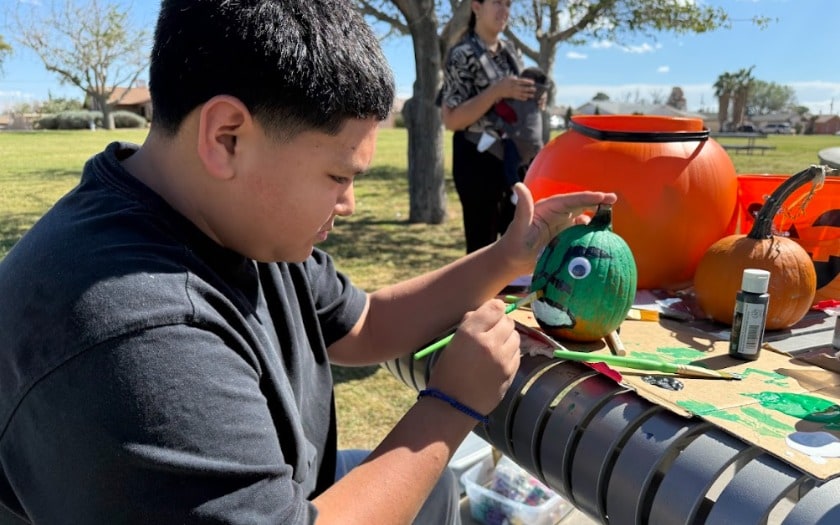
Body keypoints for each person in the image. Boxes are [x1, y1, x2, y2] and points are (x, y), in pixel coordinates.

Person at [0, 1, 615, 523]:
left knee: (440, 492)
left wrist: (510, 253)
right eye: (337, 175)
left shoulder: (230, 216)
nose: (348, 204)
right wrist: (451, 405)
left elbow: (365, 325)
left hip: (290, 486)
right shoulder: (137, 336)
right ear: (226, 137)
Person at [440, 0, 545, 254]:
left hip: (514, 160)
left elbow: (517, 98)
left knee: (518, 246)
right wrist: (496, 92)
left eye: (508, 4)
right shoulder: (461, 54)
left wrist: (534, 97)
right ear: (476, 6)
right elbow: (451, 119)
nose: (504, 10)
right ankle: (479, 296)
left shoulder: (511, 52)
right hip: (477, 159)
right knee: (482, 250)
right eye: (497, 2)